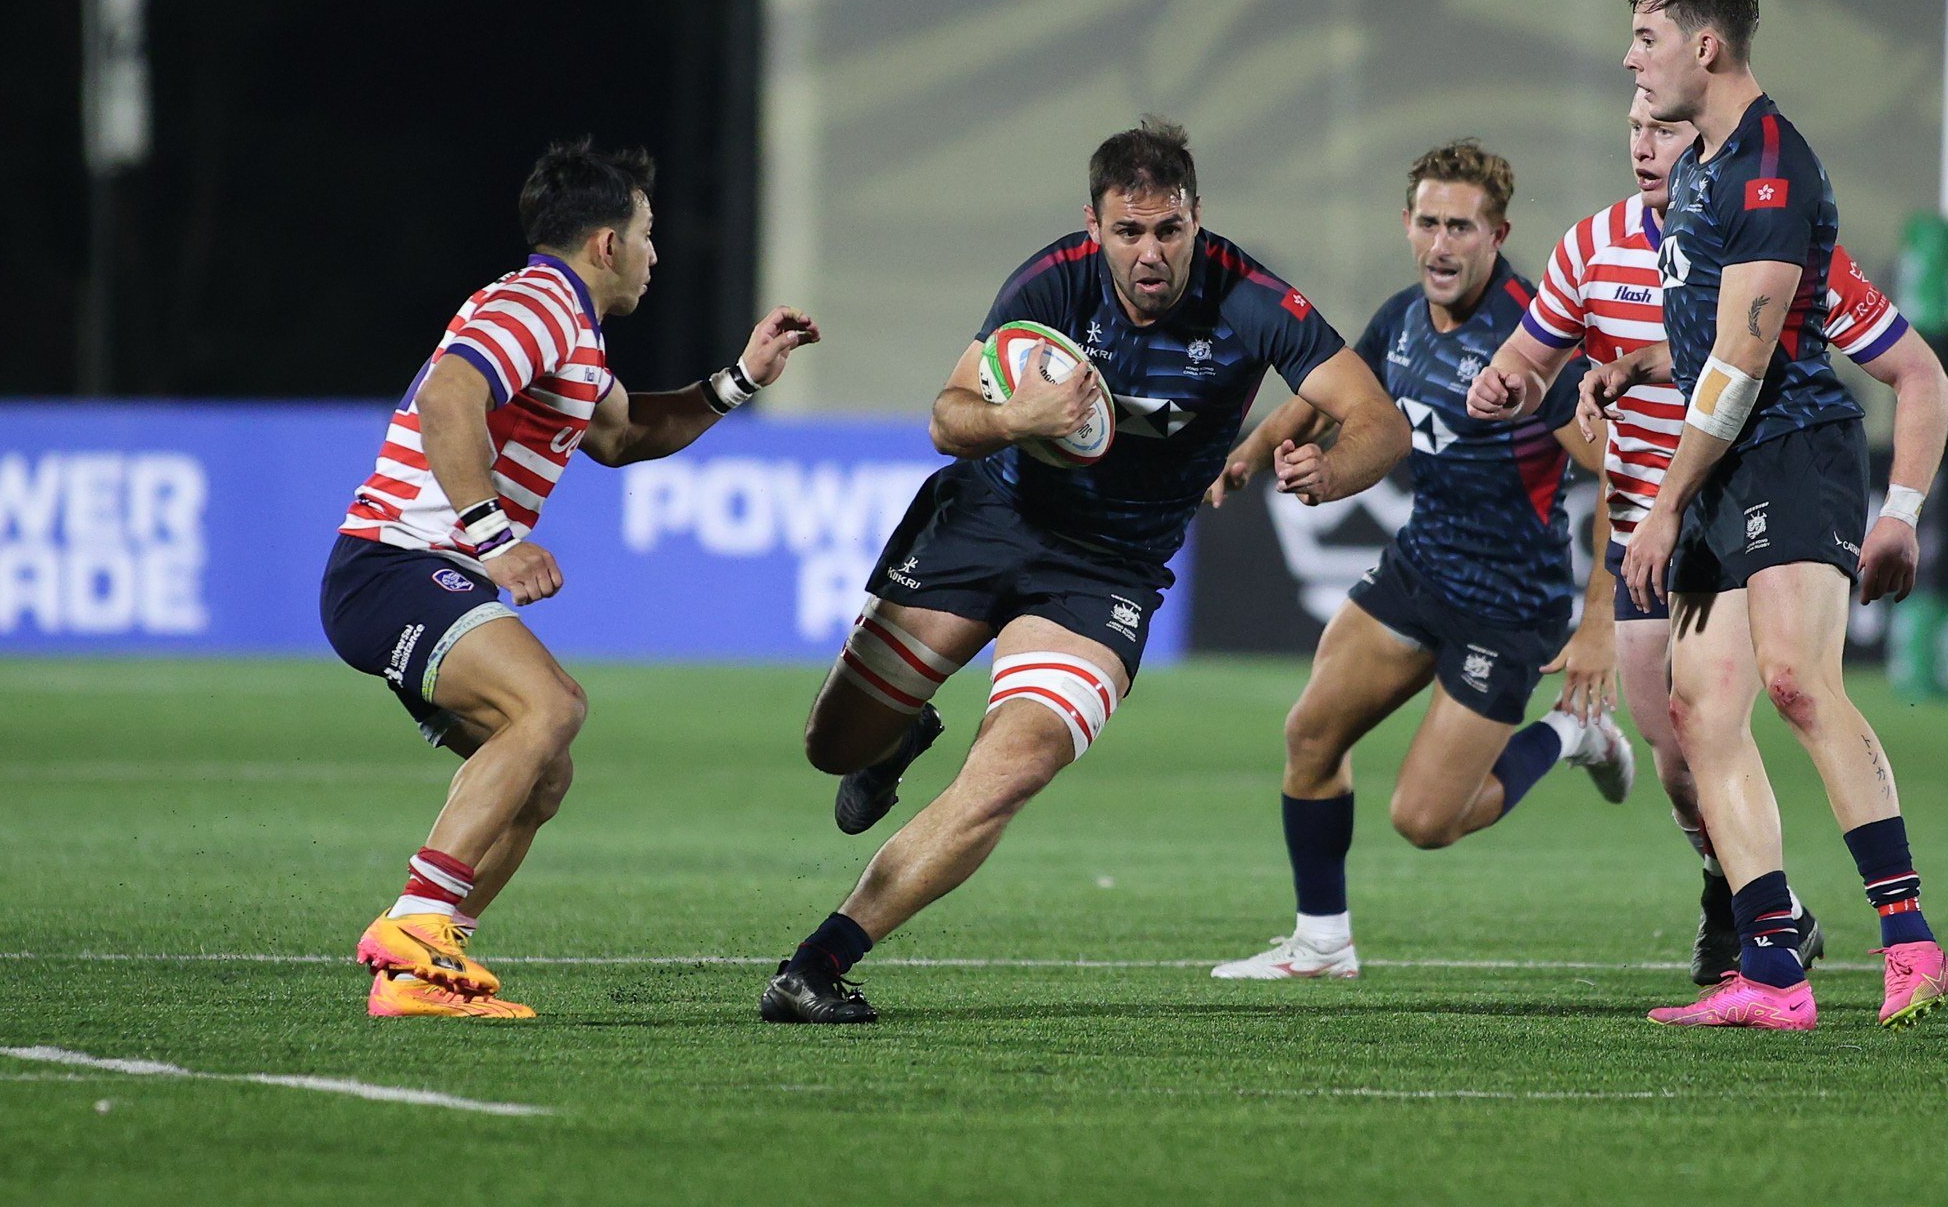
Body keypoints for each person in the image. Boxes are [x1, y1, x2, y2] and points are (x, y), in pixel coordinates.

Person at [762, 118, 1408, 1023]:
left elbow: (1379, 419)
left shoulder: (1253, 300)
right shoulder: (1053, 279)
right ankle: (896, 739)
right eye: (1129, 232)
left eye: (1170, 230)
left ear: (1196, 219)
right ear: (1094, 226)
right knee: (834, 744)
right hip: (989, 518)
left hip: (1106, 570)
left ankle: (818, 963)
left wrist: (1330, 469)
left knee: (1013, 765)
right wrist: (1017, 420)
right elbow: (949, 416)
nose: (1152, 254)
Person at [1473, 0, 1948, 1030]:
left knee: (1794, 683)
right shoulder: (1703, 176)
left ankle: (1911, 938)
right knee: (1700, 713)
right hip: (1725, 466)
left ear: (1705, 47)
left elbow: (1748, 373)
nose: (1631, 60)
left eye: (1647, 36)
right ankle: (1775, 970)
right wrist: (1643, 362)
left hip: (1789, 454)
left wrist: (1897, 512)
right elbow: (1717, 338)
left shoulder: (1771, 174)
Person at [322, 138, 819, 1019]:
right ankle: (414, 926)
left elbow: (625, 437)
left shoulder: (569, 331)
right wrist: (494, 536)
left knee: (544, 771)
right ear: (605, 244)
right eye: (648, 231)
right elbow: (448, 398)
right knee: (551, 707)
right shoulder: (539, 303)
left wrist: (741, 379)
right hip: (396, 563)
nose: (656, 253)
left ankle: (417, 974)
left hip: (414, 572)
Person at [1207, 142, 1633, 982]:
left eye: (1461, 227)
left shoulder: (1529, 340)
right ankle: (1322, 943)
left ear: (1497, 233)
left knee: (1426, 820)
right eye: (1429, 222)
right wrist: (1254, 448)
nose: (1442, 244)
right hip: (1420, 568)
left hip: (1509, 603)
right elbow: (1336, 395)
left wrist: (1598, 622)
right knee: (1310, 735)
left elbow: (1622, 475)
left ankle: (1571, 733)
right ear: (1407, 224)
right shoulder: (1403, 316)